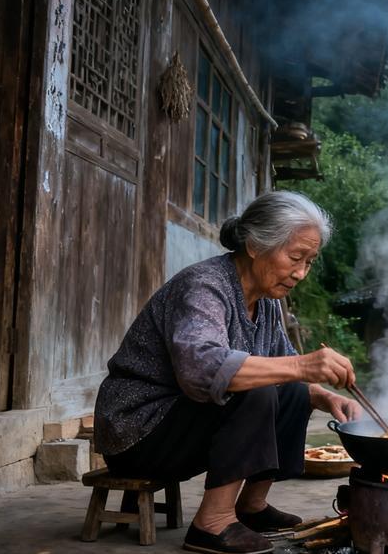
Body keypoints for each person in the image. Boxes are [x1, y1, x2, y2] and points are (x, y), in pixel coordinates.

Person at [93, 191, 362, 554]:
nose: (300, 272)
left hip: (179, 426)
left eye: (309, 261)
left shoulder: (266, 303)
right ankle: (211, 524)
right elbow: (201, 370)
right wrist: (302, 365)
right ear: (254, 245)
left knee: (293, 389)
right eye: (295, 257)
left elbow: (286, 370)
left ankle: (251, 506)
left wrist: (327, 397)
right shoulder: (204, 285)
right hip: (137, 430)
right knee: (256, 388)